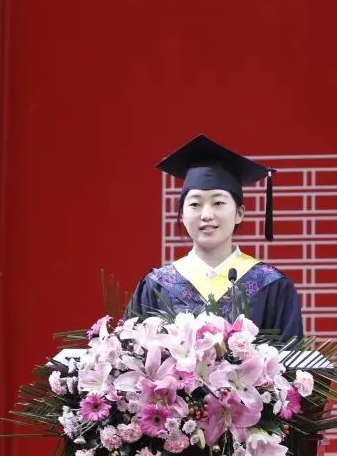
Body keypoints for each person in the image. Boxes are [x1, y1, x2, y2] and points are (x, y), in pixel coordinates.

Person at [126, 134, 303, 341]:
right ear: (182, 215)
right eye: (195, 204)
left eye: (218, 203)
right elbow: (131, 353)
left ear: (239, 213)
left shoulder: (271, 285)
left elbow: (291, 358)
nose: (206, 214)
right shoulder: (157, 286)